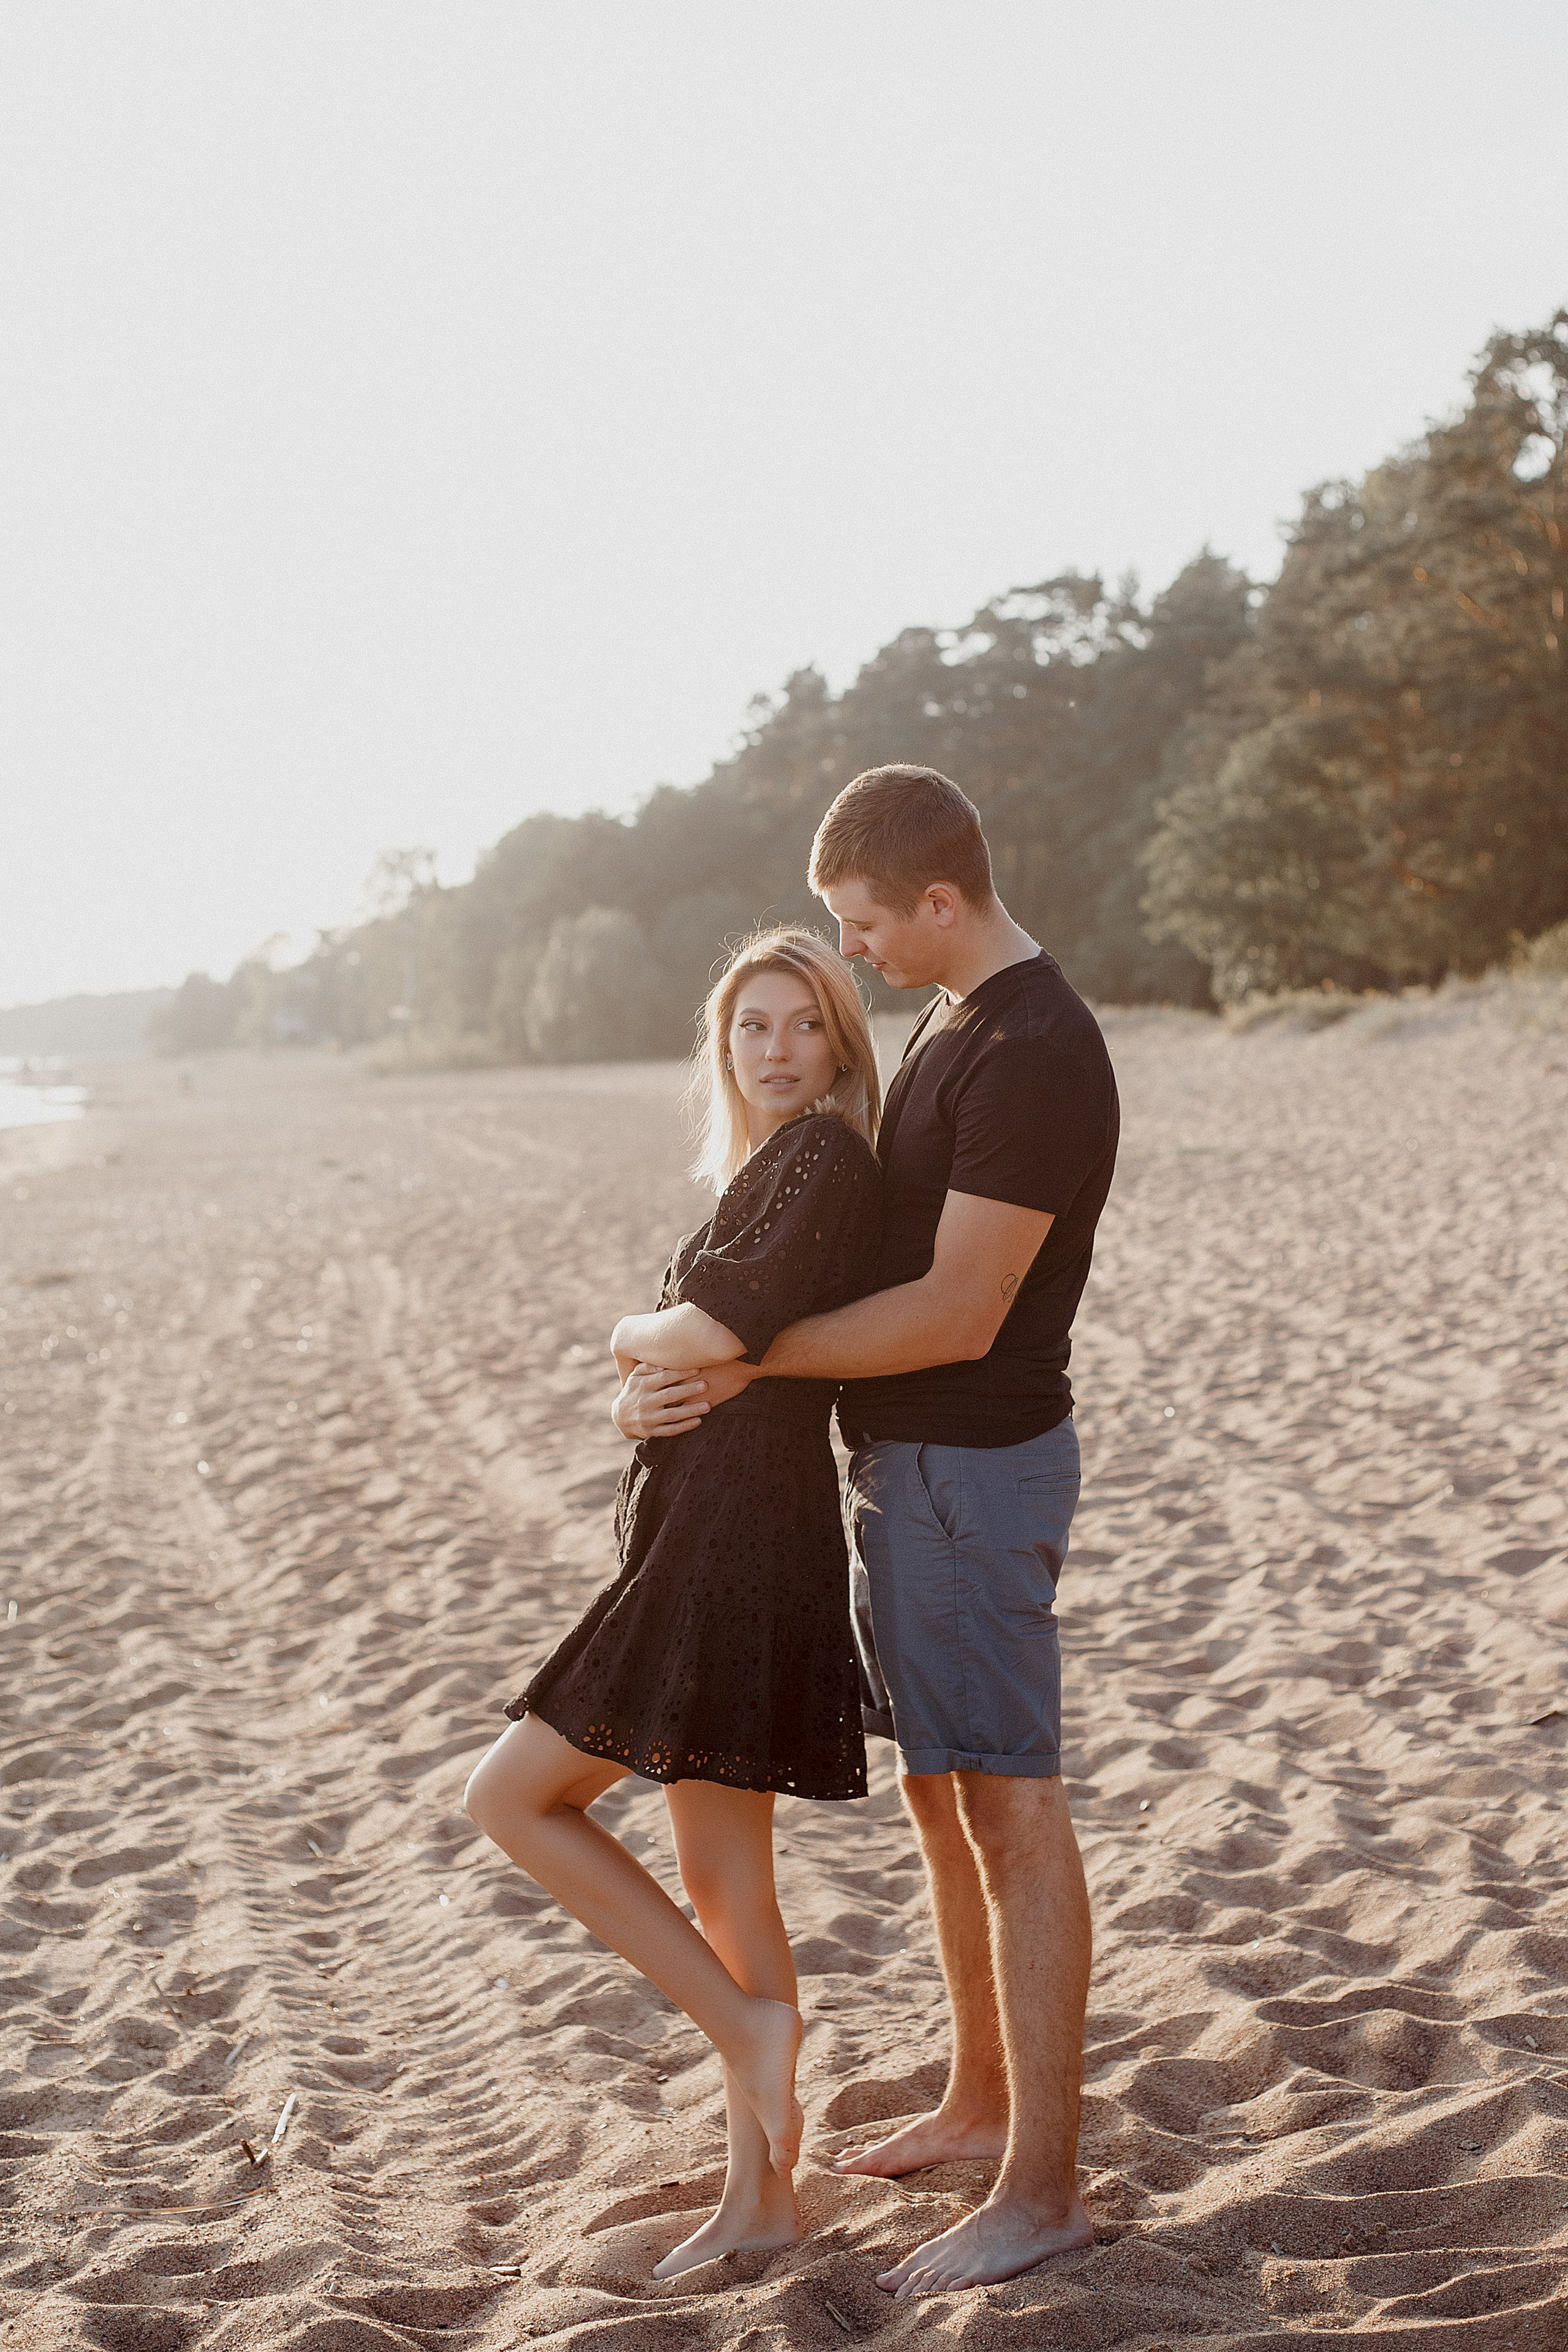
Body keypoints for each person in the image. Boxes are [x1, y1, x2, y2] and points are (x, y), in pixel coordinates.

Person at [689, 766, 1120, 2298]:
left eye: (867, 924)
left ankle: (1043, 2189)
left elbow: (957, 1308)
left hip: (972, 1478)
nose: (853, 953)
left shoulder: (1038, 1049)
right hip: (910, 1477)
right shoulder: (955, 1022)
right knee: (945, 1806)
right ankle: (983, 2100)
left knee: (1011, 1817)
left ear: (941, 901)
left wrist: (741, 1358)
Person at [463, 927, 883, 2280]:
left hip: (731, 1548)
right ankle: (762, 2199)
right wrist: (625, 1397)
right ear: (723, 1045)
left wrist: (621, 1338)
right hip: (717, 1533)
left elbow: (710, 1332)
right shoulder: (765, 1172)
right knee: (722, 1879)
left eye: (801, 1025)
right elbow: (704, 1356)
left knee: (511, 1797)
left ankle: (744, 2030)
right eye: (751, 1026)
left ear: (837, 1044)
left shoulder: (821, 1156)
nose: (775, 1049)